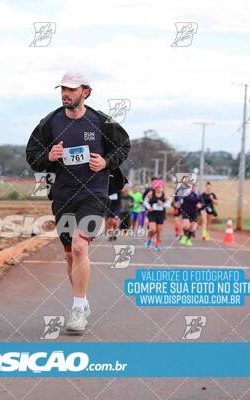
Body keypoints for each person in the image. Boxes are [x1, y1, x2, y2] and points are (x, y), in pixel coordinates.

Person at [25, 71, 130, 332]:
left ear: (86, 92)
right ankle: (82, 301)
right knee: (70, 253)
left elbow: (123, 146)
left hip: (94, 193)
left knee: (80, 246)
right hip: (63, 194)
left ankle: (78, 308)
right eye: (63, 89)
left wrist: (106, 162)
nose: (65, 94)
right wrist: (49, 155)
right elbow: (33, 156)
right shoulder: (49, 123)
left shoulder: (101, 123)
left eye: (71, 89)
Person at [143, 178, 167, 250]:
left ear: (161, 187)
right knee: (153, 229)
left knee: (159, 231)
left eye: (159, 187)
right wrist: (149, 207)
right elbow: (145, 201)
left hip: (161, 214)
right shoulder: (151, 193)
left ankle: (157, 244)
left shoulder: (164, 195)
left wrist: (162, 204)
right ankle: (149, 239)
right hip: (152, 214)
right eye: (156, 187)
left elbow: (168, 204)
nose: (158, 188)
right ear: (154, 187)